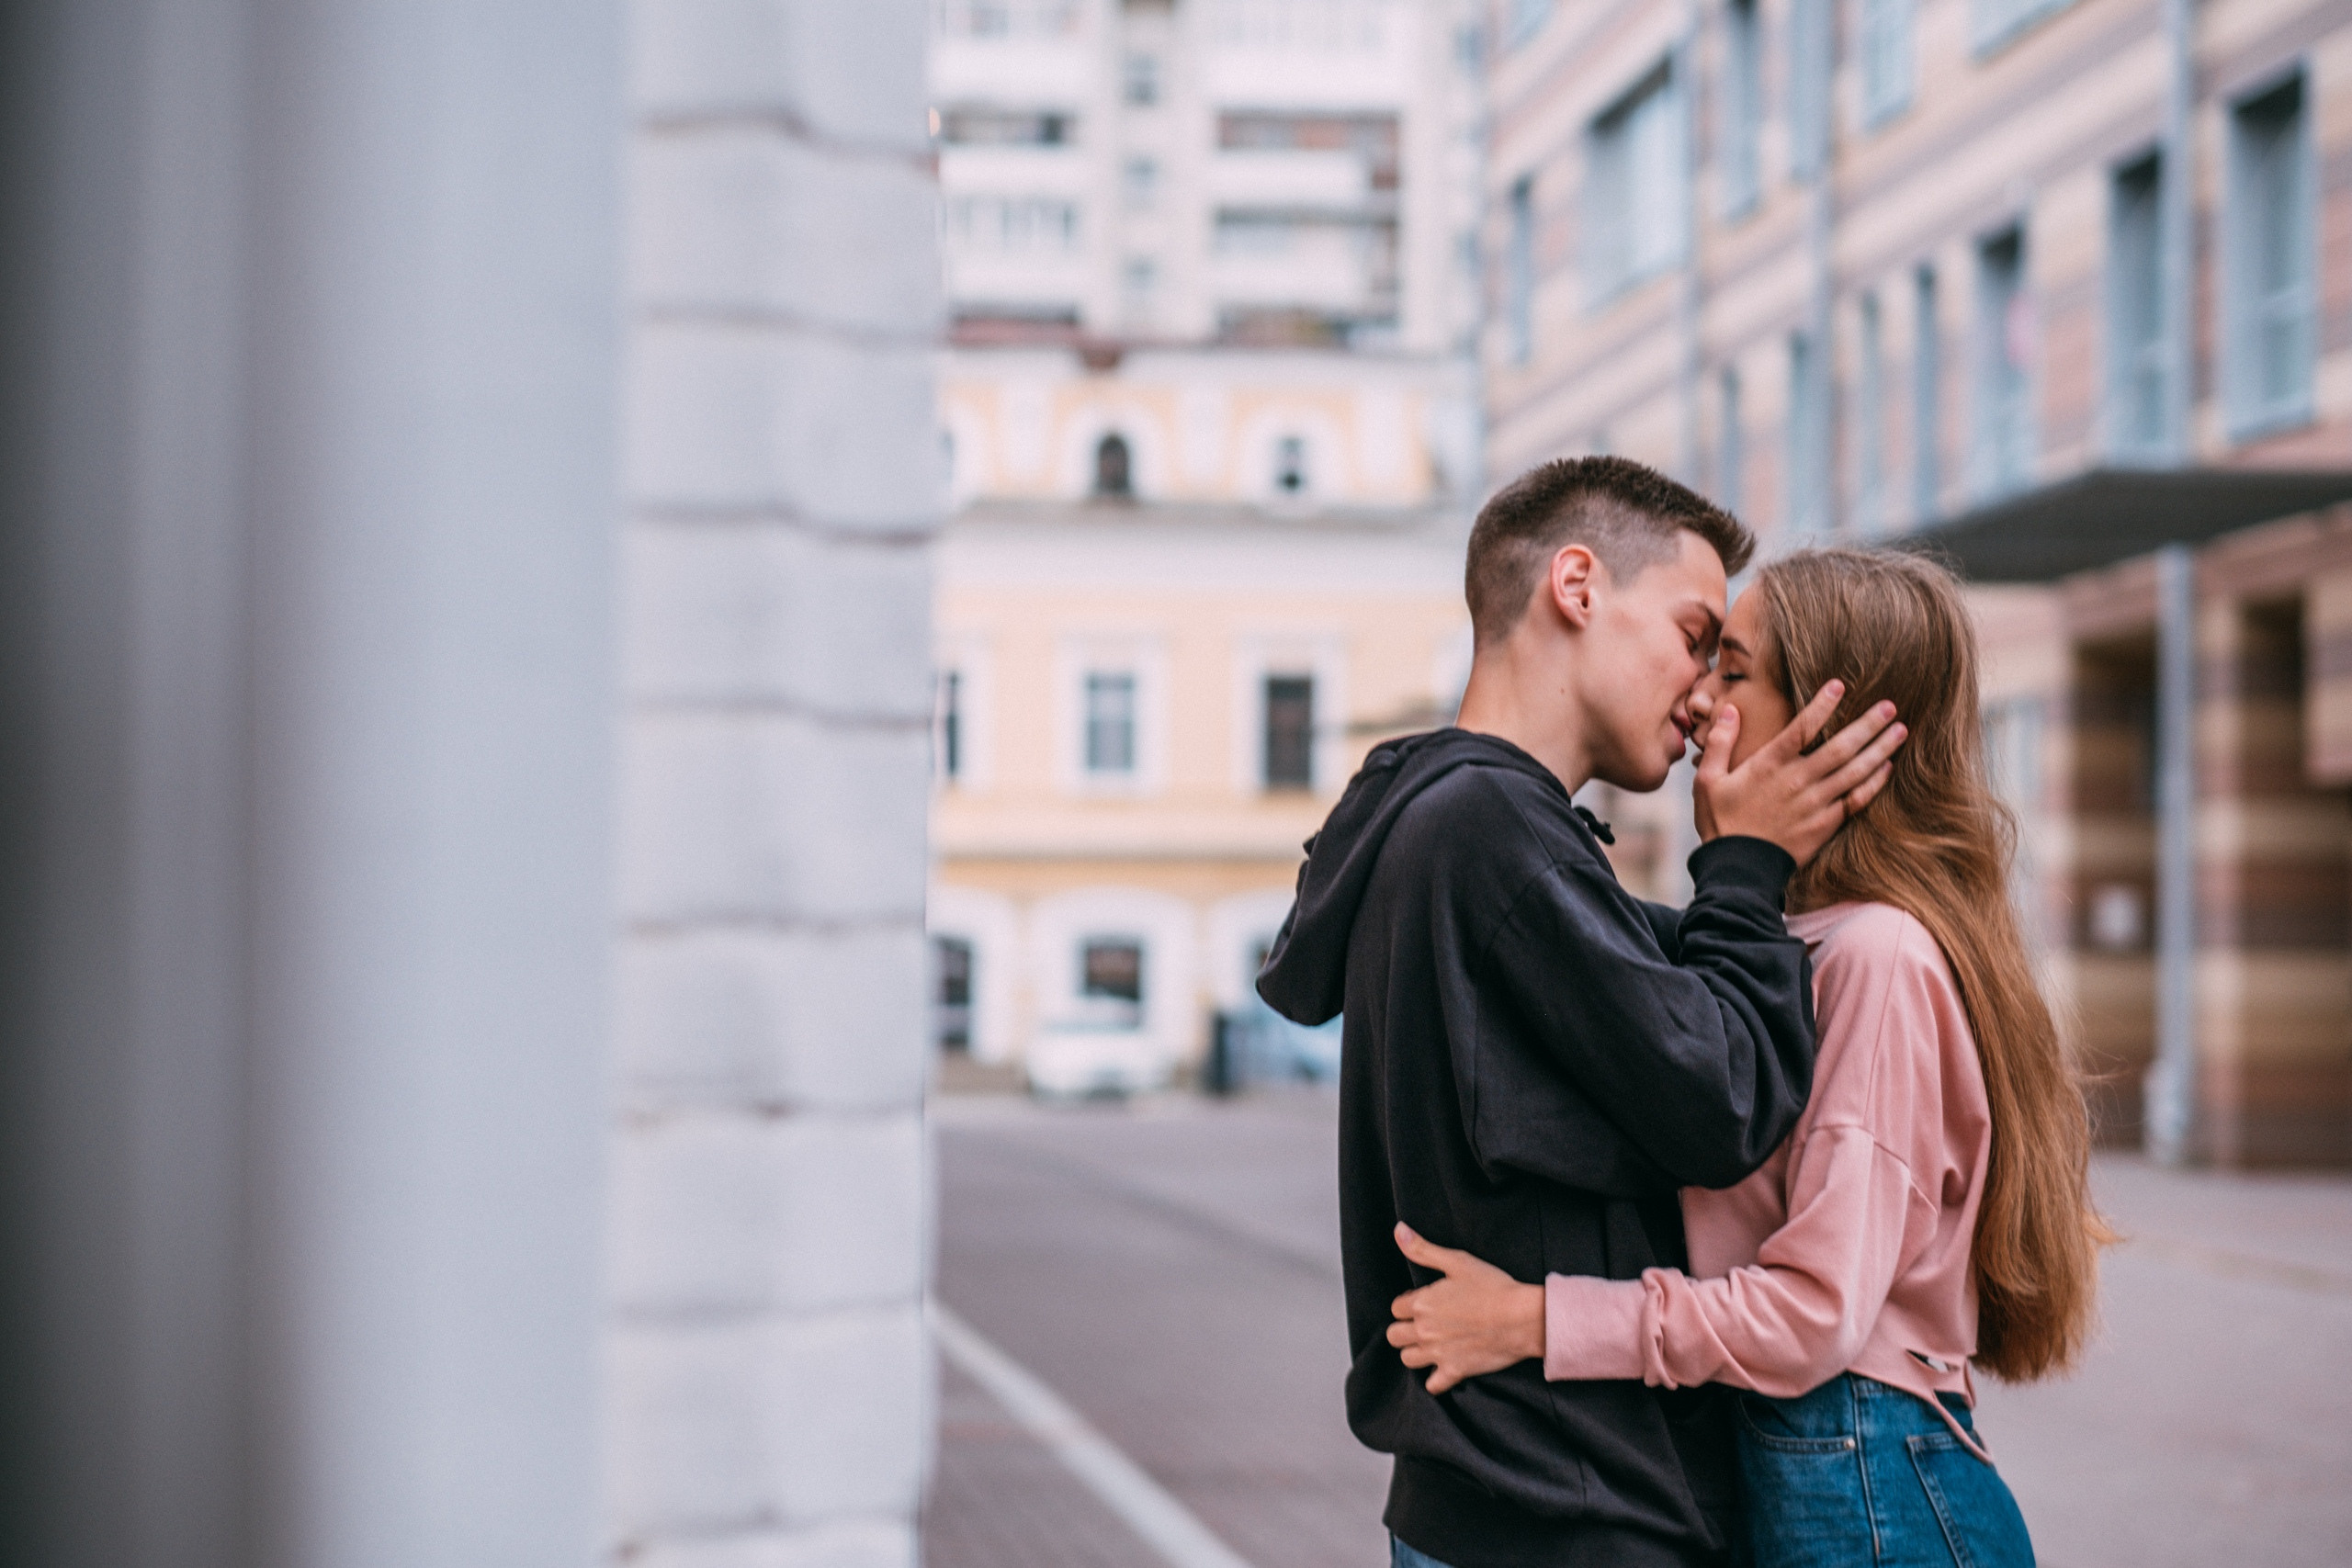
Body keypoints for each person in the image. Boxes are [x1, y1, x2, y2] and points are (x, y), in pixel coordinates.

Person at [1383, 547, 2112, 1568]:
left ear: (1832, 722)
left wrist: (1536, 1321)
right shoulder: (1782, 940)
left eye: (1731, 671)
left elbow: (1813, 1315)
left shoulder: (1877, 956)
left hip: (1871, 1489)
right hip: (1815, 1470)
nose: (1697, 699)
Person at [1256, 458, 1907, 1568]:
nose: (1705, 691)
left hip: (1511, 1498)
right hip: (1563, 1510)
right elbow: (1721, 1104)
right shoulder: (1487, 833)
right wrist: (1744, 869)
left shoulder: (1461, 828)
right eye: (1696, 635)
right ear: (1576, 585)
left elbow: (1673, 1018)